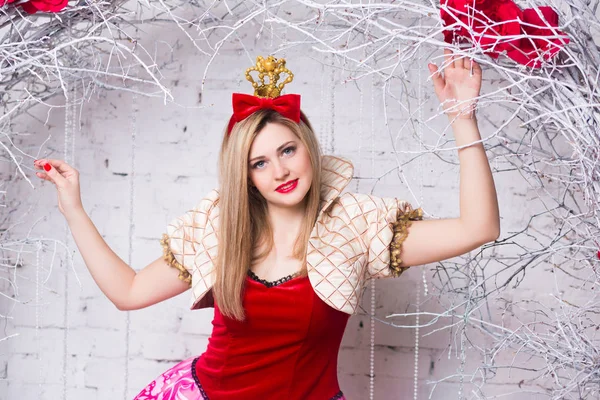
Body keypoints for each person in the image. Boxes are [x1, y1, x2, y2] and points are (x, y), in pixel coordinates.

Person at [33, 50, 500, 400]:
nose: (279, 171)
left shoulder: (356, 226)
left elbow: (478, 228)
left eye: (287, 151)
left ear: (308, 147)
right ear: (247, 175)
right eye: (259, 162)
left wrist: (462, 120)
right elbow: (130, 291)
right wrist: (74, 208)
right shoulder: (220, 228)